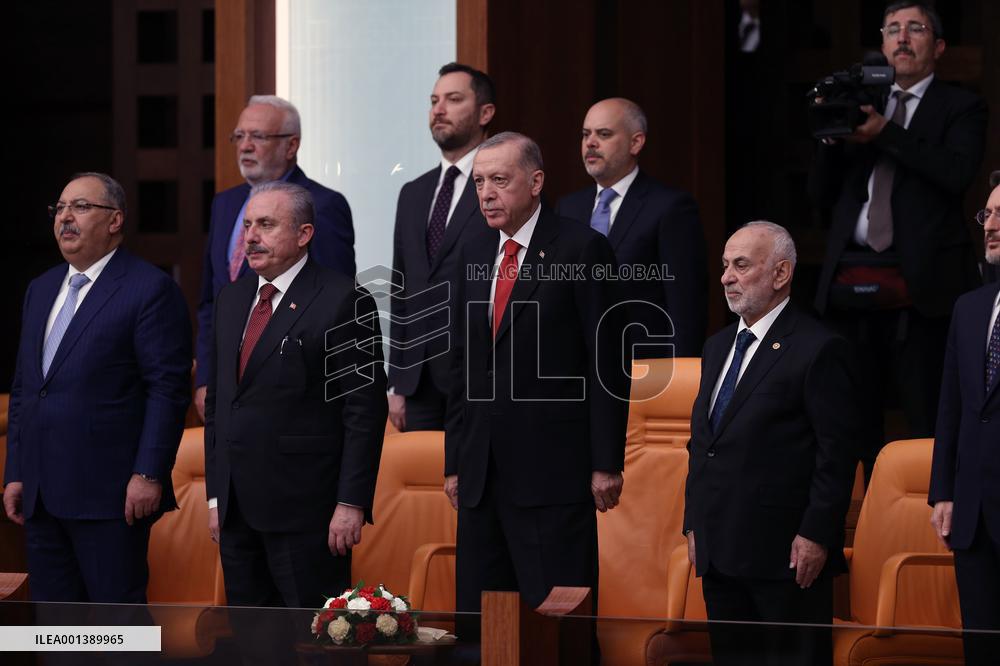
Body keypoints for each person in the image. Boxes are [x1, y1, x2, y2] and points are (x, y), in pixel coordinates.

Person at [445, 132, 630, 642]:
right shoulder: (473, 250)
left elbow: (606, 363)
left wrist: (605, 461)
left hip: (553, 471)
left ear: (536, 182)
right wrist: (455, 460)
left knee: (555, 627)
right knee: (480, 629)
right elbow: (464, 363)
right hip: (481, 473)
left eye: (499, 180)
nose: (486, 193)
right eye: (480, 181)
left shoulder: (581, 247)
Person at [809, 1, 988, 472]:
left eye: (915, 29)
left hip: (924, 291)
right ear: (882, 45)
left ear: (939, 45)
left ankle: (928, 523)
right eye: (892, 30)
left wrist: (885, 132)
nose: (902, 38)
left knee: (926, 416)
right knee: (852, 419)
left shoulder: (961, 106)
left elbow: (955, 173)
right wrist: (831, 135)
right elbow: (819, 195)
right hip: (853, 285)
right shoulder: (860, 101)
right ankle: (864, 526)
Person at [3, 172, 191, 602]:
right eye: (60, 208)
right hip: (41, 493)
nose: (66, 217)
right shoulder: (41, 288)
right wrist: (16, 471)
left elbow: (167, 390)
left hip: (111, 494)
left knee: (118, 625)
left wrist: (148, 473)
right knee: (54, 628)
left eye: (81, 207)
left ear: (115, 221)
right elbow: (25, 389)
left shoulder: (149, 289)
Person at [204, 180, 386, 615]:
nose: (250, 236)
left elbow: (363, 411)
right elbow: (219, 406)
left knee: (314, 645)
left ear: (304, 234)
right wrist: (216, 498)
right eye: (248, 225)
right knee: (251, 644)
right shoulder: (231, 300)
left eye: (266, 224)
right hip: (236, 513)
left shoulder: (344, 299)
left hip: (308, 514)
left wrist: (350, 503)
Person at [684, 221, 859, 665]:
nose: (726, 277)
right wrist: (693, 522)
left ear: (781, 274)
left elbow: (835, 455)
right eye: (725, 265)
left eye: (741, 265)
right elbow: (702, 442)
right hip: (719, 552)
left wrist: (817, 535)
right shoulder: (717, 346)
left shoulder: (819, 348)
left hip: (785, 558)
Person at [194, 95, 356, 421]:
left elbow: (336, 305)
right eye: (239, 137)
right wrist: (206, 378)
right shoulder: (224, 204)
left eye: (258, 136)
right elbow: (211, 300)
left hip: (294, 392)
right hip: (228, 386)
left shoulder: (322, 204)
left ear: (291, 145)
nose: (245, 146)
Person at [388, 63, 496, 431]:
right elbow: (400, 289)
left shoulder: (500, 188)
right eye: (434, 100)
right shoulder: (413, 193)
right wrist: (397, 381)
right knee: (419, 486)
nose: (438, 109)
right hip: (417, 382)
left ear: (485, 113)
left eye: (453, 99)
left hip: (481, 376)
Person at [555, 97, 707, 358]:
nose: (590, 143)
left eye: (604, 134)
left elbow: (686, 307)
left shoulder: (671, 208)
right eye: (585, 134)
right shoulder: (567, 208)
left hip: (643, 368)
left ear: (636, 142)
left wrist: (680, 377)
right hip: (576, 371)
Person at [929, 181, 1000, 666]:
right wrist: (944, 492)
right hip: (974, 517)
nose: (990, 226)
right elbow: (951, 408)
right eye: (988, 214)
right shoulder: (971, 307)